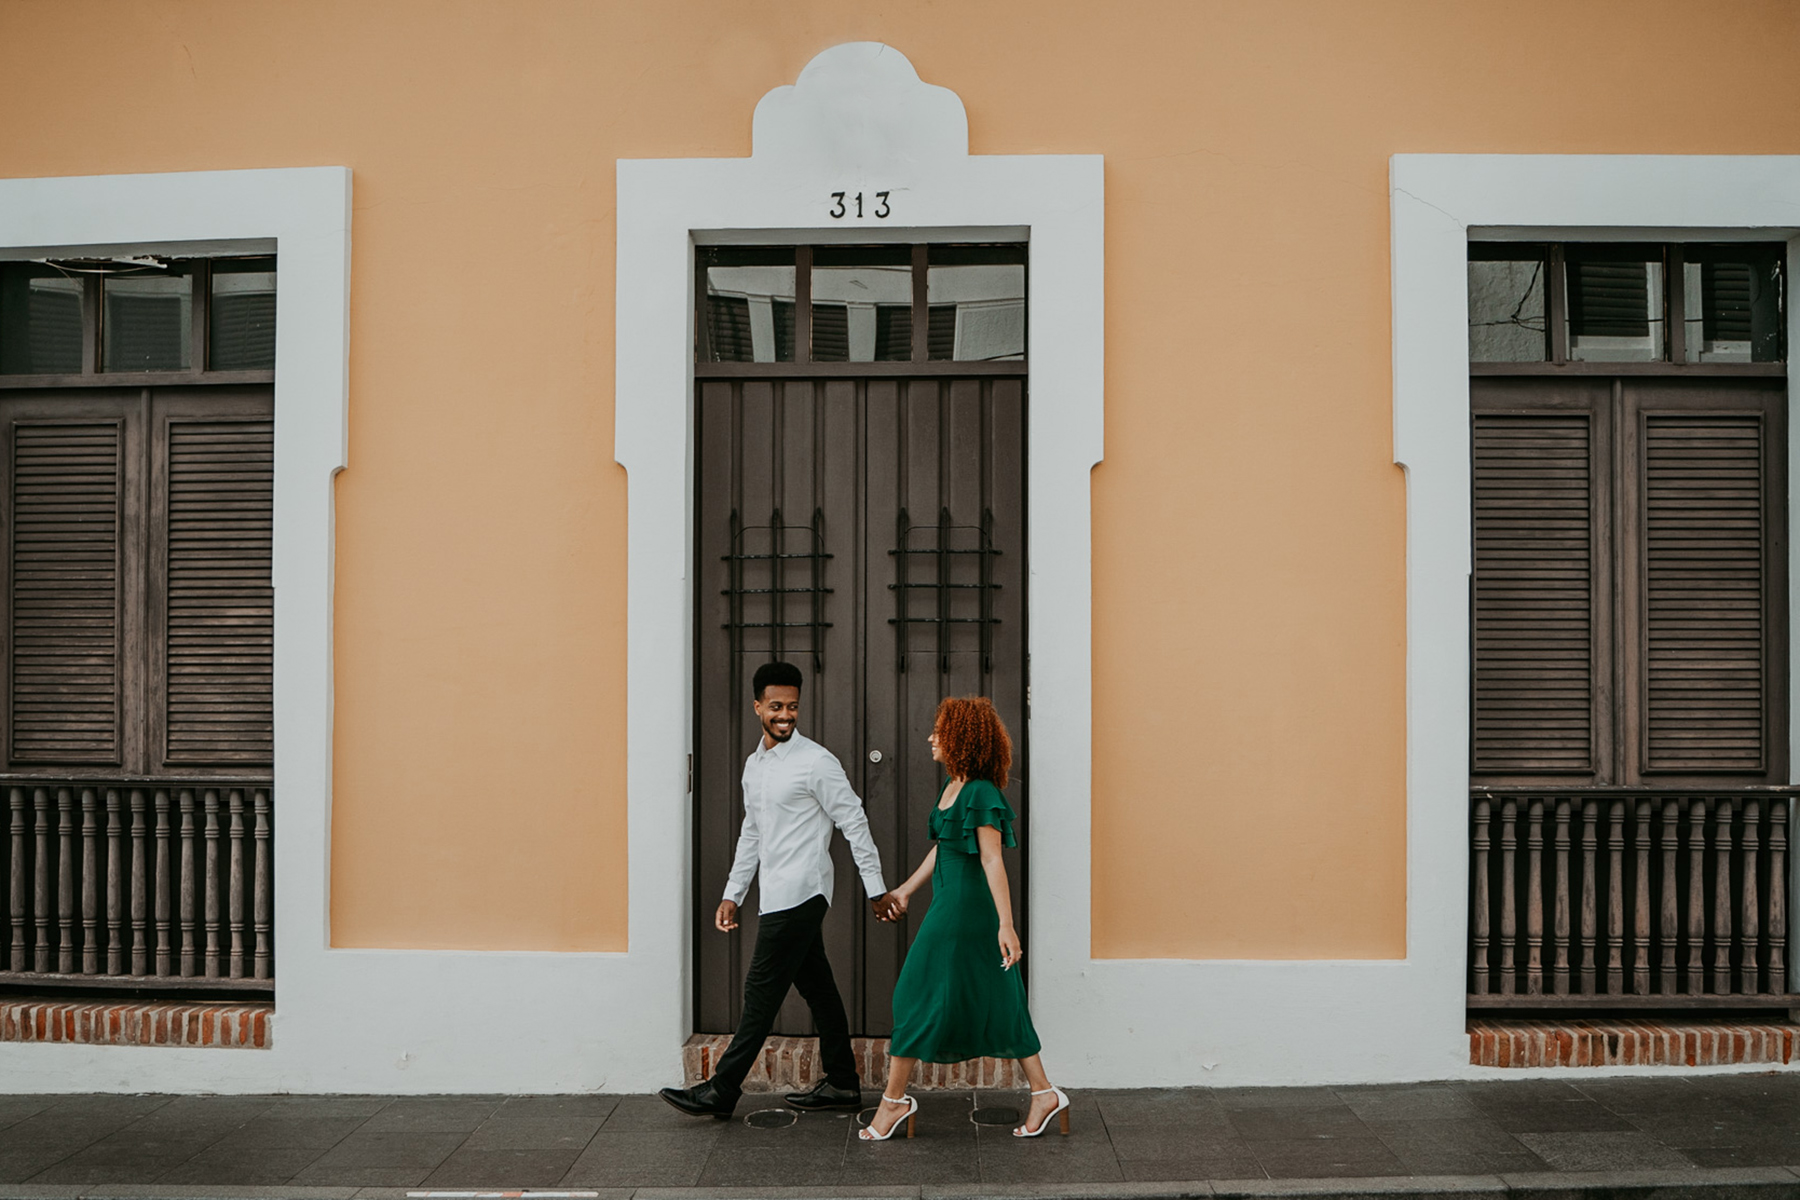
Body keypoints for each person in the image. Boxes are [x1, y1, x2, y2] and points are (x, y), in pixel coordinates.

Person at [660, 660, 894, 1119]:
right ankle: (844, 1084)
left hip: (802, 893)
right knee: (819, 989)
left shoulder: (816, 762)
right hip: (774, 893)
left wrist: (875, 889)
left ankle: (722, 1090)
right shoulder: (755, 766)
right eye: (776, 706)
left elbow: (854, 821)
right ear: (757, 707)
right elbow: (753, 832)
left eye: (792, 706)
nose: (785, 714)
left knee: (760, 993)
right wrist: (733, 893)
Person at [861, 696, 1069, 1142]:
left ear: (960, 737)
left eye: (940, 730)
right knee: (1001, 994)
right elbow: (943, 849)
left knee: (913, 993)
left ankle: (894, 1101)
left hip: (967, 911)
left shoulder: (981, 792)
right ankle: (1044, 1092)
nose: (932, 737)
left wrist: (1006, 924)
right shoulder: (952, 787)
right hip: (948, 904)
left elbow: (993, 861)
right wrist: (904, 890)